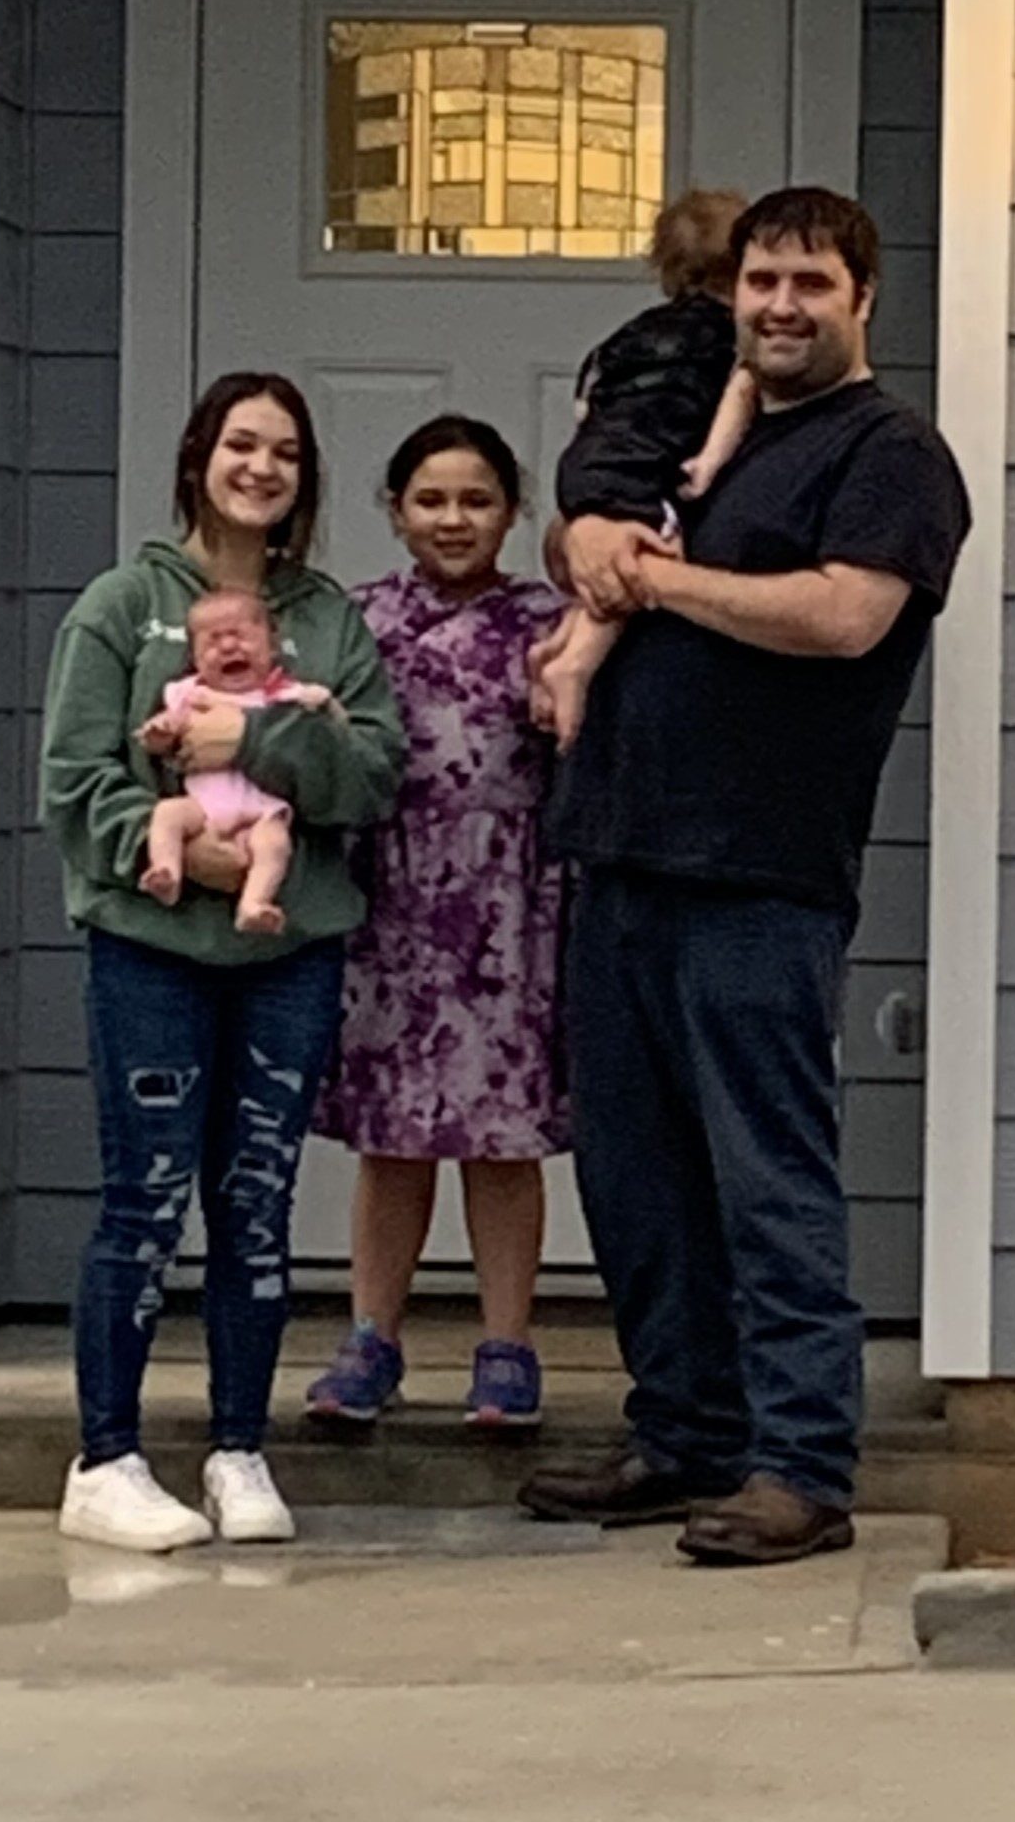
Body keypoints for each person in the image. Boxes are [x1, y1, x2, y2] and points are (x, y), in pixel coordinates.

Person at [521, 186, 971, 1565]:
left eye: (810, 284)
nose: (780, 306)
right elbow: (590, 539)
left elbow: (844, 616)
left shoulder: (890, 453)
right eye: (762, 282)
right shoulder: (698, 434)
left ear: (862, 300)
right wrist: (589, 545)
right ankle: (684, 1434)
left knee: (767, 1177)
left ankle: (801, 1466)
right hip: (619, 857)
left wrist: (657, 585)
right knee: (637, 1179)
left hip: (760, 876)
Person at [40, 371, 405, 1554]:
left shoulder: (328, 621)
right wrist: (198, 866)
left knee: (253, 1202)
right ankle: (106, 1458)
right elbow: (76, 782)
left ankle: (240, 1448)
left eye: (285, 451)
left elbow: (371, 777)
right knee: (143, 1196)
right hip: (149, 950)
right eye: (241, 442)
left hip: (285, 952)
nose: (262, 466)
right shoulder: (119, 604)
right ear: (200, 453)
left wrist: (251, 736)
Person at [305, 415, 569, 1429]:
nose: (452, 519)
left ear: (510, 509)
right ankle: (372, 1339)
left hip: (507, 902)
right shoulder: (357, 620)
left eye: (475, 499)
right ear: (394, 508)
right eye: (429, 499)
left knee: (501, 1139)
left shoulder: (549, 622)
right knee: (394, 1136)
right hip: (392, 901)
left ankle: (506, 1344)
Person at [531, 188, 757, 749]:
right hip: (642, 468)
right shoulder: (733, 342)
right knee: (641, 556)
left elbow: (588, 397)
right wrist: (708, 460)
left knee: (603, 565)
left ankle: (557, 647)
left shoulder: (631, 336)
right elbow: (738, 399)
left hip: (588, 463)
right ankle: (574, 664)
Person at [138, 588, 338, 935]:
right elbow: (165, 734)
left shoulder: (280, 694)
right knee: (167, 815)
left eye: (242, 636)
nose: (229, 647)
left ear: (273, 647)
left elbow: (321, 717)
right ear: (196, 660)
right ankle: (166, 870)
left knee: (275, 844)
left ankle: (254, 903)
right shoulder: (191, 694)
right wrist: (159, 734)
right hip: (203, 807)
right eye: (213, 642)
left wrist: (321, 704)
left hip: (262, 808)